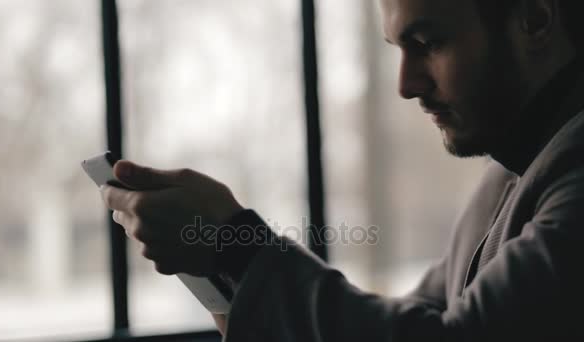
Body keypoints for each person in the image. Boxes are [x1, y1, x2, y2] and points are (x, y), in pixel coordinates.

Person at [100, 0, 584, 340]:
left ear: (536, 18)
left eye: (427, 42)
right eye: (398, 47)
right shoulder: (513, 173)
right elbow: (412, 319)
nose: (406, 84)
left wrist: (234, 245)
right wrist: (216, 268)